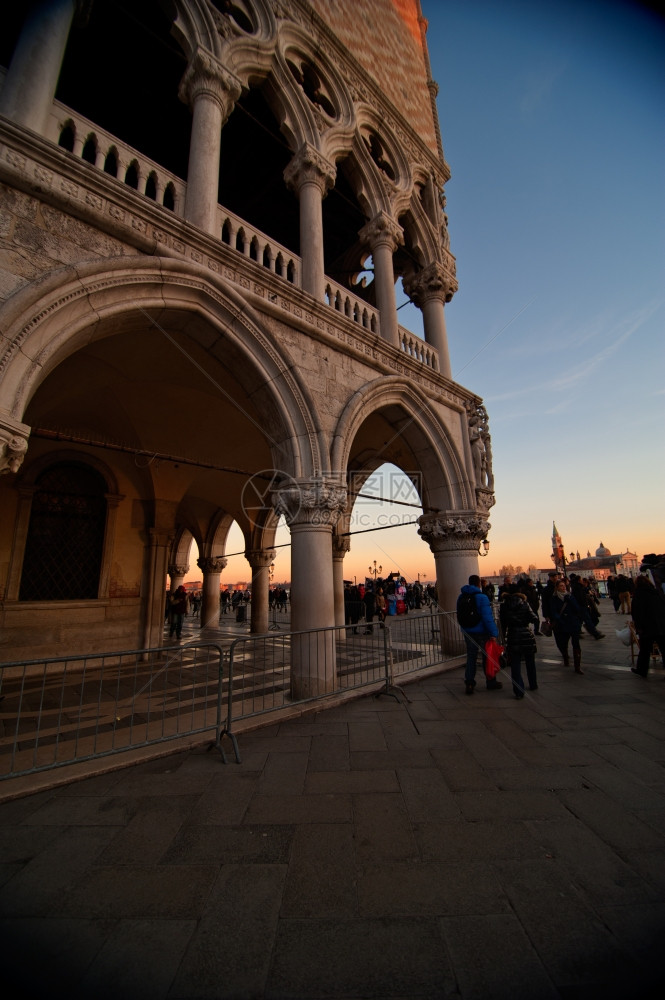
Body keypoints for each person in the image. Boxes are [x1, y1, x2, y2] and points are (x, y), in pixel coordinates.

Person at [457, 574, 501, 695]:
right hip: (481, 632)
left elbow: (460, 614)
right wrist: (494, 633)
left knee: (471, 657)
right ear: (479, 584)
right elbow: (487, 617)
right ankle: (491, 681)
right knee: (487, 657)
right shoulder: (482, 597)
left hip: (468, 631)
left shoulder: (461, 596)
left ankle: (469, 683)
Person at [500, 585, 539, 698]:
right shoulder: (524, 604)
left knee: (515, 665)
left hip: (513, 636)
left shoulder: (504, 606)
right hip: (526, 635)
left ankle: (518, 690)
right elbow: (534, 618)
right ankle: (533, 684)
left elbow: (503, 624)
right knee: (530, 662)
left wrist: (503, 640)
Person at [630, 574, 665, 678]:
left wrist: (638, 626)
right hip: (660, 625)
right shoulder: (656, 592)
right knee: (664, 648)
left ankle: (642, 670)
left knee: (645, 650)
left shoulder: (638, 595)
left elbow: (636, 613)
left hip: (647, 627)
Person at [550, 580, 584, 673]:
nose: (563, 587)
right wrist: (559, 619)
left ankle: (577, 666)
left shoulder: (570, 596)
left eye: (564, 585)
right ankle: (566, 657)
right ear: (557, 587)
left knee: (576, 643)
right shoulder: (554, 598)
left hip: (573, 622)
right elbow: (553, 611)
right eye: (561, 586)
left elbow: (577, 608)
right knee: (563, 643)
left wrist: (571, 601)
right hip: (562, 624)